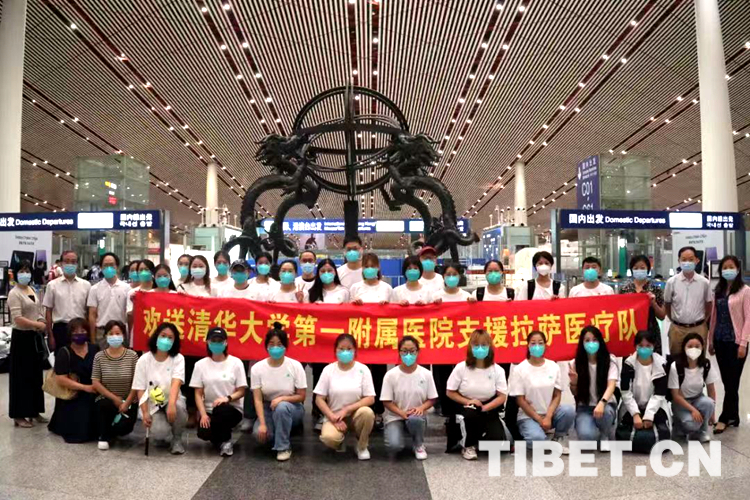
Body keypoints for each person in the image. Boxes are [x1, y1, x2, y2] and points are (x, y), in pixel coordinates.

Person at [446, 329, 508, 460]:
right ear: (470, 347)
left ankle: (481, 440)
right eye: (476, 345)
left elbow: (502, 396)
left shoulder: (498, 370)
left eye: (484, 345)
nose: (480, 349)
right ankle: (468, 445)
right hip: (466, 406)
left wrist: (485, 408)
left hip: (488, 407)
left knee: (496, 445)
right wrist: (468, 402)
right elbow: (450, 392)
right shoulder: (461, 367)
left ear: (489, 347)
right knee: (471, 415)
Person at [509, 330, 575, 454]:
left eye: (540, 343)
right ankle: (539, 437)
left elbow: (557, 395)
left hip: (550, 413)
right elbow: (520, 400)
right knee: (537, 440)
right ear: (528, 345)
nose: (537, 346)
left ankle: (559, 437)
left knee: (568, 410)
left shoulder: (553, 366)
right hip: (528, 416)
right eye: (533, 343)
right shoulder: (520, 369)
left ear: (545, 345)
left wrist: (548, 416)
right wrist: (539, 419)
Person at [314, 333, 376, 460]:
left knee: (368, 413)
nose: (345, 352)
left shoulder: (363, 369)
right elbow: (319, 399)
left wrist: (348, 409)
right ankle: (340, 439)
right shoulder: (328, 370)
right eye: (341, 349)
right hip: (334, 415)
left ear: (355, 350)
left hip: (355, 414)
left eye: (349, 349)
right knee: (328, 438)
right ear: (335, 350)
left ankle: (362, 446)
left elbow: (370, 398)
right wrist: (332, 417)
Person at [251, 324, 307, 461]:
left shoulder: (295, 366)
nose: (275, 347)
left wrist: (282, 399)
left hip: (292, 407)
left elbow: (301, 396)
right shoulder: (257, 368)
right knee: (259, 435)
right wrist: (262, 424)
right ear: (266, 346)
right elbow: (258, 399)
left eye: (279, 344)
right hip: (268, 407)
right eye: (272, 344)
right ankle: (283, 429)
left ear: (285, 347)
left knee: (281, 408)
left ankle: (283, 447)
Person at [708, 255, 749, 433]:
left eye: (731, 267)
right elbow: (713, 318)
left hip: (736, 342)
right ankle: (734, 416)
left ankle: (724, 418)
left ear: (737, 269)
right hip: (720, 340)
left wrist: (743, 343)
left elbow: (748, 318)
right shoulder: (718, 291)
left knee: (732, 381)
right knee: (728, 381)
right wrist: (710, 340)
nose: (728, 270)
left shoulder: (745, 291)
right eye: (724, 267)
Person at [132, 323, 188, 454]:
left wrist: (172, 404)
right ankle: (160, 435)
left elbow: (176, 383)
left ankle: (177, 439)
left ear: (174, 341)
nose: (166, 340)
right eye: (163, 336)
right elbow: (140, 388)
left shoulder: (178, 359)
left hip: (171, 398)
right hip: (153, 402)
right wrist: (145, 412)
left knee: (178, 410)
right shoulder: (143, 360)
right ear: (156, 336)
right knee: (159, 432)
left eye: (170, 337)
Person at [191, 327, 247, 456]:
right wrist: (203, 414)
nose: (216, 344)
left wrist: (227, 398)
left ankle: (226, 441)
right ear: (208, 342)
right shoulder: (200, 365)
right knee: (203, 432)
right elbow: (198, 393)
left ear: (226, 343)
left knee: (221, 410)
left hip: (231, 408)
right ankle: (220, 440)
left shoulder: (236, 363)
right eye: (213, 341)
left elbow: (242, 391)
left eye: (220, 341)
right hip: (209, 409)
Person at [381, 336, 437, 460]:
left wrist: (421, 408)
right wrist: (401, 412)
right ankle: (402, 434)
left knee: (415, 420)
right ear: (399, 352)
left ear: (418, 352)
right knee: (394, 446)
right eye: (404, 351)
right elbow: (386, 401)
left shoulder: (426, 374)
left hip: (416, 416)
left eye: (412, 351)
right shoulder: (390, 375)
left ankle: (418, 444)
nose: (408, 355)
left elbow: (432, 399)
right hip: (395, 416)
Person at [8, 261, 47, 428]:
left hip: (34, 337)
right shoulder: (14, 293)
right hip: (21, 338)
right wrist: (36, 324)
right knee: (21, 376)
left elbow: (37, 310)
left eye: (27, 270)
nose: (25, 274)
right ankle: (18, 414)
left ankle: (34, 410)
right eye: (22, 271)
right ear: (16, 273)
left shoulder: (31, 289)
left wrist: (41, 320)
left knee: (35, 375)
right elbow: (17, 318)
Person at [48, 318, 100, 443]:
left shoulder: (95, 349)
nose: (79, 334)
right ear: (69, 334)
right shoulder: (64, 352)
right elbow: (61, 379)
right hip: (73, 393)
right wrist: (84, 387)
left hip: (94, 390)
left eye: (82, 331)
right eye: (75, 332)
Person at [618, 330, 671, 450]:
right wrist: (635, 414)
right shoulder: (628, 364)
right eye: (641, 346)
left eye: (648, 346)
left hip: (656, 407)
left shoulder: (661, 364)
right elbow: (625, 392)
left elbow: (659, 394)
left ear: (653, 346)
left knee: (662, 435)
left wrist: (649, 415)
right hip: (632, 406)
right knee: (625, 433)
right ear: (635, 346)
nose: (644, 349)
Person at [569, 325, 618, 450]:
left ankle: (605, 435)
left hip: (605, 405)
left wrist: (602, 403)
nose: (591, 343)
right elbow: (575, 393)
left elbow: (611, 385)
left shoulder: (610, 360)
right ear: (582, 343)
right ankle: (589, 426)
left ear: (600, 341)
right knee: (587, 438)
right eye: (587, 340)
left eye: (595, 340)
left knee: (606, 413)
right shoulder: (575, 363)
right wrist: (574, 383)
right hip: (585, 408)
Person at [91, 320, 138, 450]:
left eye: (118, 333)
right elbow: (95, 382)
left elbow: (137, 382)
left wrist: (126, 403)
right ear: (105, 336)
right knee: (103, 405)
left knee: (124, 428)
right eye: (111, 334)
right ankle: (103, 436)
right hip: (107, 399)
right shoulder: (99, 356)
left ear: (124, 335)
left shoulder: (132, 356)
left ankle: (112, 430)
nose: (114, 336)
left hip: (129, 400)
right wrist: (114, 399)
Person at [664, 246, 712, 356]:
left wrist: (704, 320)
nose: (687, 262)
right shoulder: (671, 282)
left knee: (698, 360)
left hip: (698, 328)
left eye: (691, 259)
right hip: (677, 329)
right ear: (679, 261)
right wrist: (673, 320)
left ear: (697, 260)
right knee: (676, 360)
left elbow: (709, 304)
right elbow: (667, 304)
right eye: (684, 259)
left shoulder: (704, 283)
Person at [669, 333, 717, 443]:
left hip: (698, 398)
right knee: (690, 424)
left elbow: (711, 390)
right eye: (690, 346)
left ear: (702, 348)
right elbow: (675, 396)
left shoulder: (705, 365)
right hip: (681, 402)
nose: (693, 349)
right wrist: (693, 410)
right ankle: (679, 425)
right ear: (684, 348)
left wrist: (712, 414)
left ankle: (701, 431)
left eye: (697, 346)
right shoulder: (676, 366)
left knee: (709, 404)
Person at [43, 250, 92, 351]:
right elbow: (48, 311)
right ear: (61, 263)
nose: (70, 264)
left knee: (80, 358)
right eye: (66, 261)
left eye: (73, 262)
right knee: (61, 358)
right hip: (60, 329)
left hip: (80, 329)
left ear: (77, 264)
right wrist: (50, 335)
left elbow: (89, 312)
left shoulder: (86, 285)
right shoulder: (52, 285)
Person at [619, 255, 666, 354]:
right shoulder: (625, 290)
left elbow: (662, 316)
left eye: (642, 268)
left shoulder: (655, 289)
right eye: (636, 268)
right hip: (630, 331)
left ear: (648, 269)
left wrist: (653, 304)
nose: (639, 270)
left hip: (651, 332)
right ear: (631, 270)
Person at [87, 252, 130, 345]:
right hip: (102, 334)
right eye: (105, 265)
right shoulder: (94, 289)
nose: (109, 268)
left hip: (120, 332)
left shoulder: (127, 288)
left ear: (117, 267)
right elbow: (92, 315)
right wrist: (92, 338)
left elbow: (129, 313)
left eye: (111, 265)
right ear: (101, 268)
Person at [126, 259, 155, 336]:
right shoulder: (133, 293)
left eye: (146, 269)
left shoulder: (158, 291)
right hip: (139, 332)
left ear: (152, 272)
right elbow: (130, 317)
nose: (143, 272)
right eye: (141, 270)